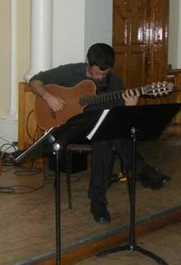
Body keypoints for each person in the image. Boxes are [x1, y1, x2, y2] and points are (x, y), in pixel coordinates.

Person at [29, 43, 171, 224]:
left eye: (104, 74)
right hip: (71, 129)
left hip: (100, 132)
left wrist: (129, 108)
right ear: (87, 62)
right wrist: (49, 97)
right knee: (106, 134)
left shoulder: (115, 82)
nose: (100, 77)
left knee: (106, 135)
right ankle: (141, 169)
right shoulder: (70, 72)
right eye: (97, 73)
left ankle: (98, 202)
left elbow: (120, 120)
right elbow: (34, 81)